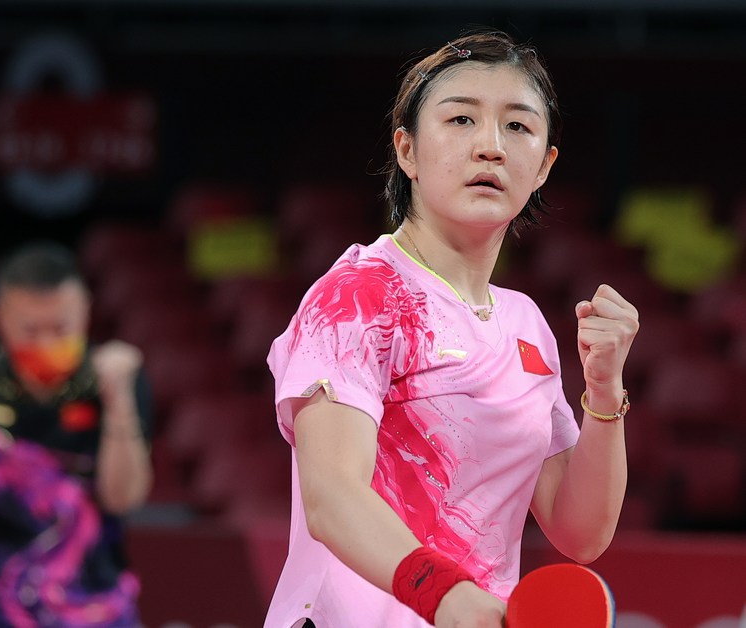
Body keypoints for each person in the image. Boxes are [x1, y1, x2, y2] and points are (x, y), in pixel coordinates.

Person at [264, 29, 639, 628]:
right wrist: (443, 594)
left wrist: (602, 390)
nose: (491, 146)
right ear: (407, 150)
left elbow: (580, 532)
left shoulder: (526, 324)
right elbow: (331, 498)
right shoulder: (359, 298)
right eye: (461, 120)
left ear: (543, 167)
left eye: (517, 127)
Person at [0, 241, 154, 627]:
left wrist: (118, 400)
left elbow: (123, 497)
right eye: (30, 331)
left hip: (99, 612)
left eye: (61, 328)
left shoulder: (111, 378)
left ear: (85, 310)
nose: (46, 343)